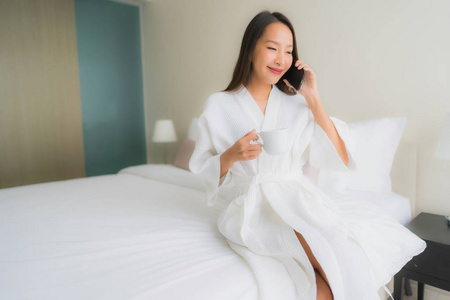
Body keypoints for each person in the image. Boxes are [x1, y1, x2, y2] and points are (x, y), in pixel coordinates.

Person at [189, 11, 426, 300]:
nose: (281, 59)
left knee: (332, 260)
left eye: (288, 52)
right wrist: (230, 156)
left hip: (296, 200)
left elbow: (341, 156)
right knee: (308, 256)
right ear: (251, 49)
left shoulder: (295, 105)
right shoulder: (219, 105)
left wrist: (313, 98)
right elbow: (201, 171)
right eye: (272, 48)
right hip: (251, 208)